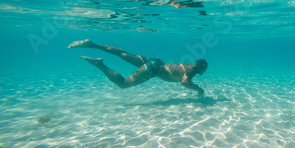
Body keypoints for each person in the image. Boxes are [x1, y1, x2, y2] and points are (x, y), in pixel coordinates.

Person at [68, 40, 207, 95]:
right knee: (123, 84)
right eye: (204, 69)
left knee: (123, 53)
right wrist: (199, 89)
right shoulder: (191, 70)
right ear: (200, 67)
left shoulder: (189, 64)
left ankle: (92, 44)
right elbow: (184, 82)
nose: (204, 72)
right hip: (152, 69)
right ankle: (100, 64)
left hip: (156, 61)